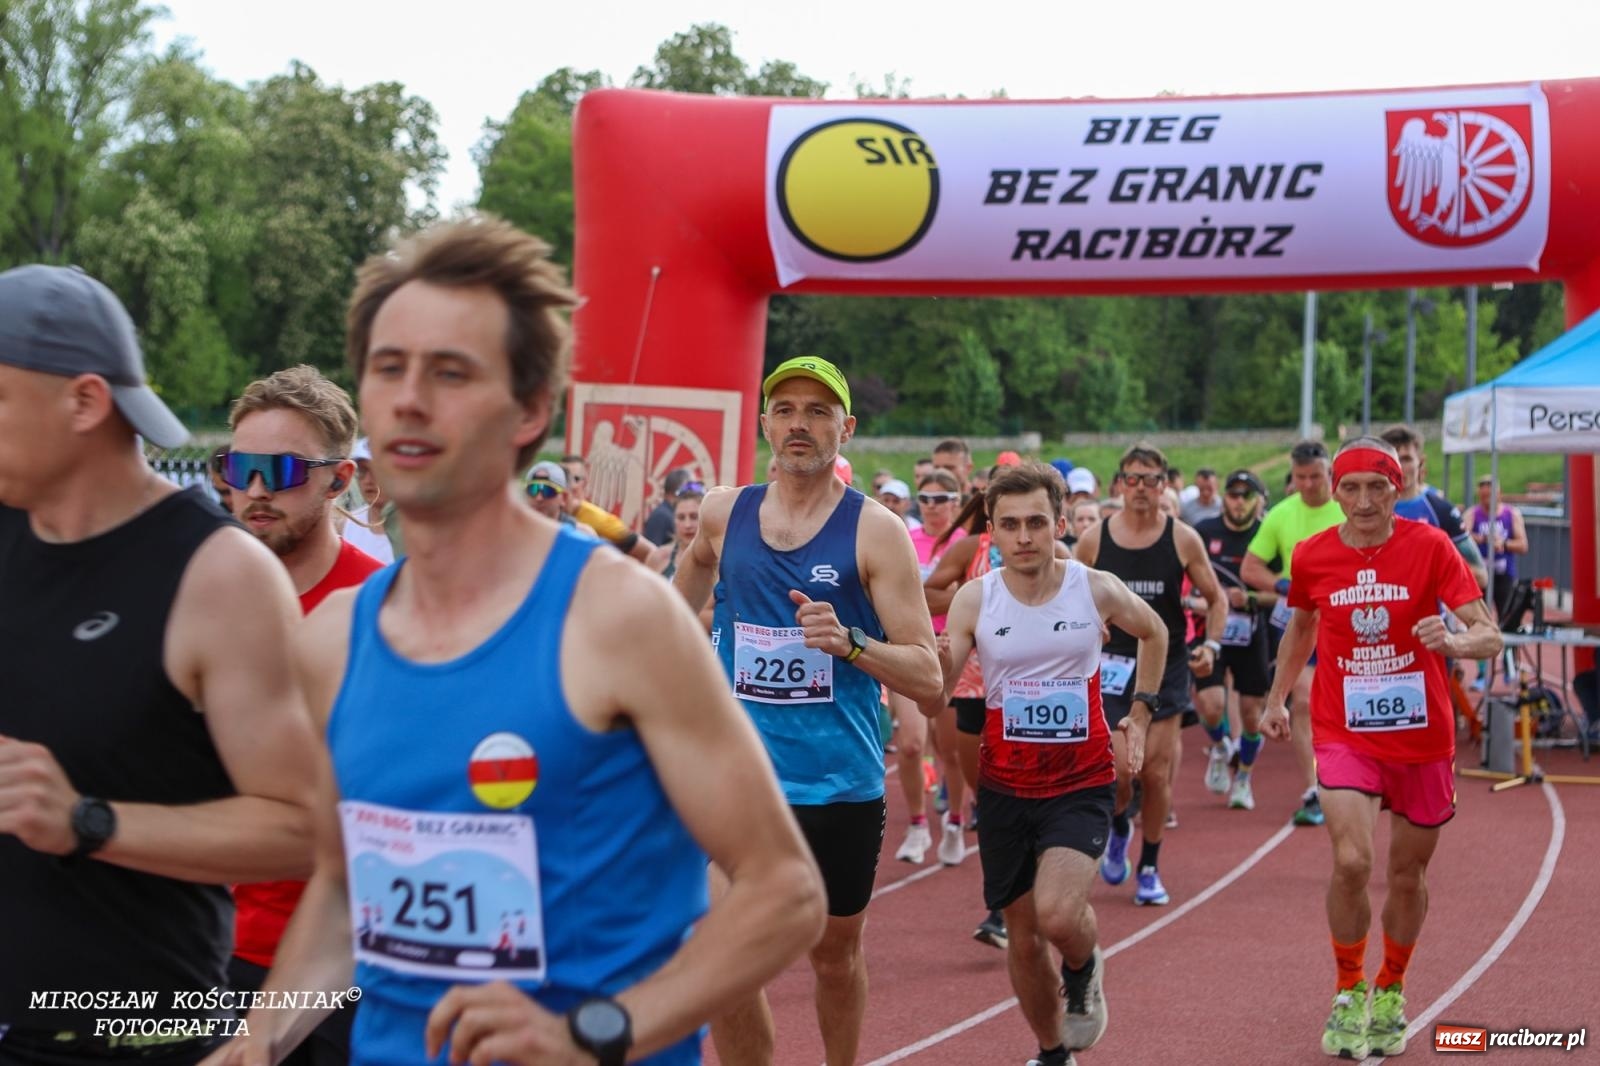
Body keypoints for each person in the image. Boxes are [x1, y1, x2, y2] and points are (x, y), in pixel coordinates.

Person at [214, 218, 825, 1066]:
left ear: (530, 409)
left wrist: (591, 1033)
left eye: (451, 372)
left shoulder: (620, 617)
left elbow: (785, 892)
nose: (411, 397)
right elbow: (344, 883)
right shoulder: (331, 644)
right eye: (389, 368)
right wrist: (256, 1040)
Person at [0, 264, 322, 1064]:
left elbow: (303, 829)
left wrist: (88, 822)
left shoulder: (218, 574)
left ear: (83, 401)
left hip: (131, 1034)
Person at [673, 355, 940, 1066]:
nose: (800, 424)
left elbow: (930, 676)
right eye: (785, 409)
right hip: (740, 782)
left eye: (818, 411)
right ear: (765, 423)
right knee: (718, 948)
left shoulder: (874, 532)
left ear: (845, 429)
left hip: (837, 785)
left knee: (833, 958)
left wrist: (852, 644)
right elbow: (685, 580)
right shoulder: (727, 512)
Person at [1261, 437, 1500, 1059]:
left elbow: (1488, 634)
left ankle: (1390, 986)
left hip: (1422, 739)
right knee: (1351, 862)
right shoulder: (1313, 555)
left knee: (1406, 872)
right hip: (1345, 731)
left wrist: (1452, 640)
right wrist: (1276, 699)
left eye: (1378, 487)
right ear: (1332, 492)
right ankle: (1347, 989)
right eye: (1351, 488)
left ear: (1398, 489)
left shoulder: (1431, 546)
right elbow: (1302, 628)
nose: (1364, 501)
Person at [928, 462, 1168, 1066]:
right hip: (1004, 783)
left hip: (1081, 780)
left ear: (1060, 522)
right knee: (1024, 936)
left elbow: (1155, 631)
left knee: (1057, 914)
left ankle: (1084, 967)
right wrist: (928, 663)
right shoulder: (975, 598)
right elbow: (939, 690)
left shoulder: (1093, 587)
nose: (1025, 536)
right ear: (993, 531)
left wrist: (1139, 714)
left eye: (1038, 522)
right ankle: (1052, 1049)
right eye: (1010, 525)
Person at [221, 365, 386, 1066]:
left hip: (345, 966)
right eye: (238, 468)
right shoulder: (200, 596)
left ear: (338, 478)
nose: (255, 491)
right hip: (210, 949)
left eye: (281, 470)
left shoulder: (385, 611)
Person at [1073, 443, 1225, 906]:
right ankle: (1120, 825)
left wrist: (1212, 646)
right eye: (1133, 479)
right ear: (1120, 484)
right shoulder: (1095, 539)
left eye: (1151, 480)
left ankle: (1151, 865)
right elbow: (1071, 597)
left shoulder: (1182, 539)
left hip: (1166, 661)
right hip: (1112, 665)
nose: (1141, 488)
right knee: (1120, 773)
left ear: (1165, 485)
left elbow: (1216, 598)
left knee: (1156, 773)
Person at [1242, 439, 1344, 827]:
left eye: (1315, 476)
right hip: (1300, 620)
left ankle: (1349, 777)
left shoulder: (1346, 509)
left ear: (1329, 473)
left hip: (1344, 620)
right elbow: (1251, 567)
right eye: (1300, 477)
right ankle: (1313, 788)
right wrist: (1283, 586)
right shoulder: (1282, 514)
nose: (1307, 484)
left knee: (1339, 706)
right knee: (1302, 700)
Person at [892, 469, 966, 865]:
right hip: (913, 648)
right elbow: (897, 596)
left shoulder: (964, 545)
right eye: (925, 498)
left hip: (955, 653)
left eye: (941, 498)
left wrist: (928, 598)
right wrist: (937, 597)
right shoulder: (906, 540)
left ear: (956, 502)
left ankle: (954, 821)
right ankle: (918, 825)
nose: (932, 506)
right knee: (911, 745)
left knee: (950, 751)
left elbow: (960, 598)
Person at [1187, 470, 1274, 810]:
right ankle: (1222, 748)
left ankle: (1244, 777)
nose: (1239, 502)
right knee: (1210, 705)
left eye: (1246, 495)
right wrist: (1201, 599)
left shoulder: (1268, 533)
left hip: (1252, 632)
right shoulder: (1204, 532)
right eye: (1233, 494)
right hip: (1211, 628)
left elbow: (1282, 590)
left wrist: (1251, 598)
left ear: (1258, 500)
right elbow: (1185, 579)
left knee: (1253, 716)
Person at [1378, 425, 1488, 591]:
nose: (1399, 467)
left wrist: (1429, 575)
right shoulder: (1367, 510)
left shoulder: (1440, 510)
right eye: (1393, 459)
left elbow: (1480, 575)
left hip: (1430, 615)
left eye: (1406, 459)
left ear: (1420, 462)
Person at [560, 452, 656, 562]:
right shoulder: (545, 512)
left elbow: (651, 551)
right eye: (562, 479)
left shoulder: (598, 518)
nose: (570, 485)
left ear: (585, 482)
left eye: (575, 479)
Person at [1468, 473, 1528, 621]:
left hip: (1504, 574)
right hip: (1480, 574)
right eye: (1483, 496)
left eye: (1490, 495)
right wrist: (1482, 539)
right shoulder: (1472, 514)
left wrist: (1504, 544)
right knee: (1478, 619)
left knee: (1508, 618)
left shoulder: (1511, 514)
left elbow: (1523, 545)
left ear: (1499, 494)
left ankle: (1509, 643)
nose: (1487, 500)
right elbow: (1462, 538)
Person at [647, 488, 702, 580]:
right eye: (681, 517)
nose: (687, 525)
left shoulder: (719, 562)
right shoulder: (658, 557)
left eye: (694, 517)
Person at [643, 467, 695, 548]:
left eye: (694, 517)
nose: (688, 525)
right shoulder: (660, 516)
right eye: (691, 487)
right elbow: (651, 552)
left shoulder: (668, 513)